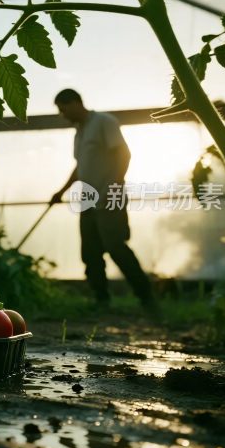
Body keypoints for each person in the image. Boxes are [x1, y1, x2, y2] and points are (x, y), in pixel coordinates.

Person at [49, 88, 159, 313]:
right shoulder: (79, 132)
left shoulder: (104, 122)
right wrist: (61, 192)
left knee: (115, 247)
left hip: (110, 197)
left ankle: (146, 296)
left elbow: (123, 154)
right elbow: (80, 168)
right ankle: (101, 299)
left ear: (76, 102)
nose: (63, 115)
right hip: (88, 200)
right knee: (90, 252)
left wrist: (113, 185)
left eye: (63, 109)